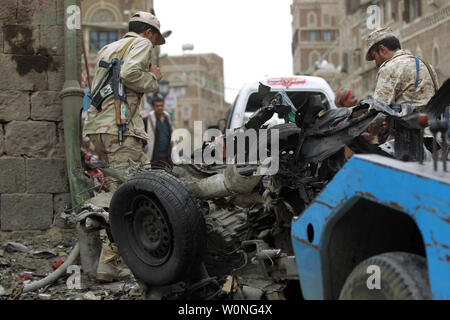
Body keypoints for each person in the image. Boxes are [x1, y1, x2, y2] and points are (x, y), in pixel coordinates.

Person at [82, 11, 166, 282]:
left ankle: (129, 253)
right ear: (149, 33)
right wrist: (153, 77)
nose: (153, 47)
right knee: (122, 197)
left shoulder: (108, 48)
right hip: (120, 131)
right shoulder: (141, 44)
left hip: (99, 129)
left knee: (143, 181)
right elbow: (130, 74)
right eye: (155, 41)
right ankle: (108, 262)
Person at [366, 27, 438, 112]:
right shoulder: (426, 65)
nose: (376, 64)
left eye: (375, 57)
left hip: (408, 124)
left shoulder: (389, 68)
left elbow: (378, 110)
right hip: (433, 122)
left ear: (382, 49)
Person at [144, 95, 174, 167]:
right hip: (154, 156)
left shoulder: (167, 118)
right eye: (157, 106)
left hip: (167, 156)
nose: (160, 108)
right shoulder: (147, 120)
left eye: (161, 105)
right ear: (153, 107)